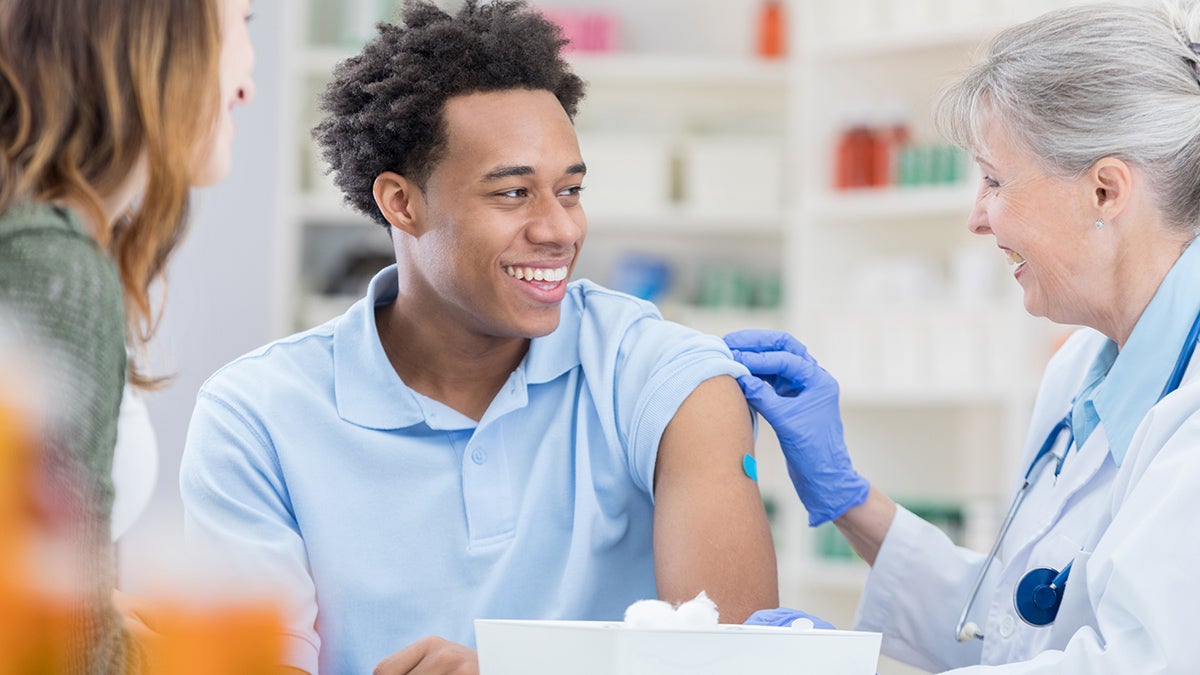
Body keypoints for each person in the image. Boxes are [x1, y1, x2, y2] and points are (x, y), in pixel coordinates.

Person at [178, 2, 778, 674]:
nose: (560, 229)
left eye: (571, 189)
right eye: (514, 193)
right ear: (402, 203)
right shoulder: (255, 415)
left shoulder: (663, 381)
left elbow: (735, 662)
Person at [729, 1, 1200, 672]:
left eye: (995, 180)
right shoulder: (1081, 374)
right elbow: (1013, 617)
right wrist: (846, 495)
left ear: (1105, 191)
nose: (978, 218)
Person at [0, 0, 255, 670]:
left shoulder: (47, 248)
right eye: (242, 29)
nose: (248, 83)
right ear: (162, 42)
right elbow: (54, 649)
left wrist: (105, 614)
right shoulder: (52, 269)